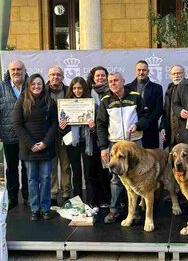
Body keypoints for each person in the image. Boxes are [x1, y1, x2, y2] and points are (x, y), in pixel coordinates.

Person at [96, 72, 149, 224]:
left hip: (134, 144)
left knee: (138, 176)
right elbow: (100, 125)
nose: (113, 83)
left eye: (116, 80)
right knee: (116, 179)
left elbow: (147, 116)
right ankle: (114, 210)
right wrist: (103, 147)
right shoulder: (105, 100)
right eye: (110, 81)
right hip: (114, 144)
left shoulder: (136, 96)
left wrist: (138, 125)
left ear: (123, 81)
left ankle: (137, 209)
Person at [13, 73, 58, 221]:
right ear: (29, 86)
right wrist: (31, 144)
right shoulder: (21, 102)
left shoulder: (50, 102)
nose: (36, 86)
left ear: (43, 85)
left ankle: (45, 208)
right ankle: (35, 209)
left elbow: (54, 124)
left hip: (46, 147)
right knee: (32, 179)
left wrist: (45, 142)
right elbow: (17, 126)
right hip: (28, 148)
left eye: (39, 84)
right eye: (33, 84)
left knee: (45, 178)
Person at [0, 60, 29, 209]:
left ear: (25, 70)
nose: (16, 72)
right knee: (11, 168)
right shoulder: (0, 88)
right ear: (9, 71)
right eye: (13, 69)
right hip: (8, 134)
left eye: (19, 69)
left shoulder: (32, 85)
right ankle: (12, 198)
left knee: (27, 167)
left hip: (28, 136)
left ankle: (27, 196)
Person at [59, 77, 104, 209]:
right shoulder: (65, 106)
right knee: (76, 173)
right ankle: (77, 201)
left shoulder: (92, 105)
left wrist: (92, 127)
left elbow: (99, 129)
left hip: (88, 143)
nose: (77, 91)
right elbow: (61, 130)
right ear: (71, 90)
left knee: (89, 174)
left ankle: (91, 201)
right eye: (74, 88)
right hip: (73, 144)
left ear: (85, 88)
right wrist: (62, 127)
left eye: (80, 88)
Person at [45, 66, 72, 206]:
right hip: (48, 134)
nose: (55, 77)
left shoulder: (69, 91)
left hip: (65, 134)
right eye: (53, 74)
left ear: (62, 77)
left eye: (58, 75)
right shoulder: (42, 92)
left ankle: (66, 192)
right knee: (52, 165)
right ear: (48, 76)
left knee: (66, 164)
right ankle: (53, 193)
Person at [87, 66, 111, 208]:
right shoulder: (88, 94)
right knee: (95, 169)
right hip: (92, 137)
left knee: (107, 170)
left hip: (111, 135)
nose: (100, 78)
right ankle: (95, 199)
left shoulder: (113, 92)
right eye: (98, 76)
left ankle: (107, 198)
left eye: (103, 75)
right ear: (93, 78)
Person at [126, 60, 163, 149]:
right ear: (135, 71)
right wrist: (136, 124)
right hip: (132, 130)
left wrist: (144, 123)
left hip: (150, 129)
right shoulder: (127, 88)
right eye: (139, 70)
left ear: (148, 72)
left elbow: (158, 110)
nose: (141, 72)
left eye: (144, 70)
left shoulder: (157, 88)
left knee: (150, 160)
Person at [160, 65, 185, 150]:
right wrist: (163, 126)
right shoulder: (169, 89)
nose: (176, 76)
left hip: (185, 134)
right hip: (172, 134)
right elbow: (166, 110)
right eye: (174, 74)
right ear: (170, 76)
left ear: (184, 74)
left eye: (179, 73)